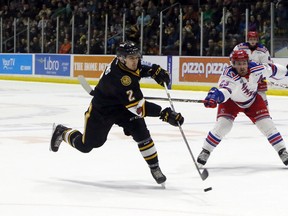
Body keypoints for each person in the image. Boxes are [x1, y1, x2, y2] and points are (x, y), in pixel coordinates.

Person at [50, 41, 184, 186]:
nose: (135, 61)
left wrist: (152, 71)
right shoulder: (121, 79)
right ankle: (62, 132)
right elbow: (139, 108)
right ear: (121, 58)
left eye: (136, 57)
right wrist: (163, 113)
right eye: (131, 58)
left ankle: (155, 168)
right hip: (103, 110)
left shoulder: (124, 63)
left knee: (142, 133)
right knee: (87, 146)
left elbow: (138, 71)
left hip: (124, 106)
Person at [197, 50, 288, 167]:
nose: (242, 66)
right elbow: (225, 91)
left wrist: (286, 71)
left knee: (267, 125)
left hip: (253, 101)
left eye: (244, 63)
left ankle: (282, 151)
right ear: (232, 64)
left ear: (248, 62)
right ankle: (206, 150)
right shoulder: (229, 75)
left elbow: (273, 70)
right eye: (238, 64)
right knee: (223, 126)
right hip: (231, 102)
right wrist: (216, 96)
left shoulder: (256, 68)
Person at [233, 31, 272, 106]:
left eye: (254, 39)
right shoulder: (239, 47)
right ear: (248, 39)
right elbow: (232, 60)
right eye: (251, 39)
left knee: (261, 94)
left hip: (258, 75)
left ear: (257, 39)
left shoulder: (263, 50)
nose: (252, 41)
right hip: (244, 76)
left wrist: (262, 74)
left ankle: (265, 111)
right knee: (241, 93)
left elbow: (267, 65)